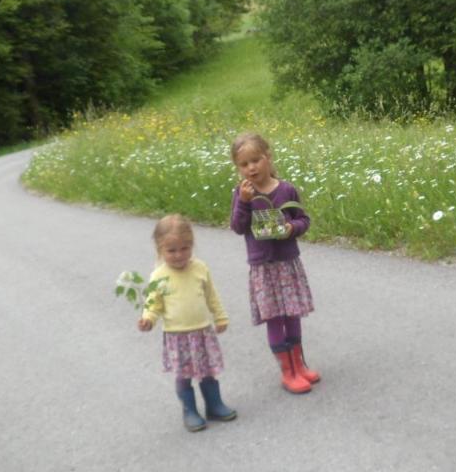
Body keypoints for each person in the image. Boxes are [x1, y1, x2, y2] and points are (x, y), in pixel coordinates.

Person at [229, 132, 320, 394]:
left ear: (268, 157)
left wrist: (291, 227)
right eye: (244, 164)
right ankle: (287, 372)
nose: (251, 168)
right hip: (263, 266)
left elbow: (303, 220)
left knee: (293, 315)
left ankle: (299, 365)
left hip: (287, 262)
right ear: (238, 167)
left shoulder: (286, 189)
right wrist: (244, 204)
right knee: (274, 318)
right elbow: (237, 226)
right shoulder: (242, 193)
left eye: (255, 160)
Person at [137, 214, 237, 432]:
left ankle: (214, 404)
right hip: (177, 335)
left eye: (185, 248)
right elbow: (154, 304)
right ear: (160, 250)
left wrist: (220, 316)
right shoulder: (159, 276)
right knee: (184, 375)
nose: (179, 255)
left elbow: (212, 295)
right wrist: (148, 319)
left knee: (207, 370)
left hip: (202, 331)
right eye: (171, 251)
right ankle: (189, 411)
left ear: (192, 245)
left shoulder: (200, 268)